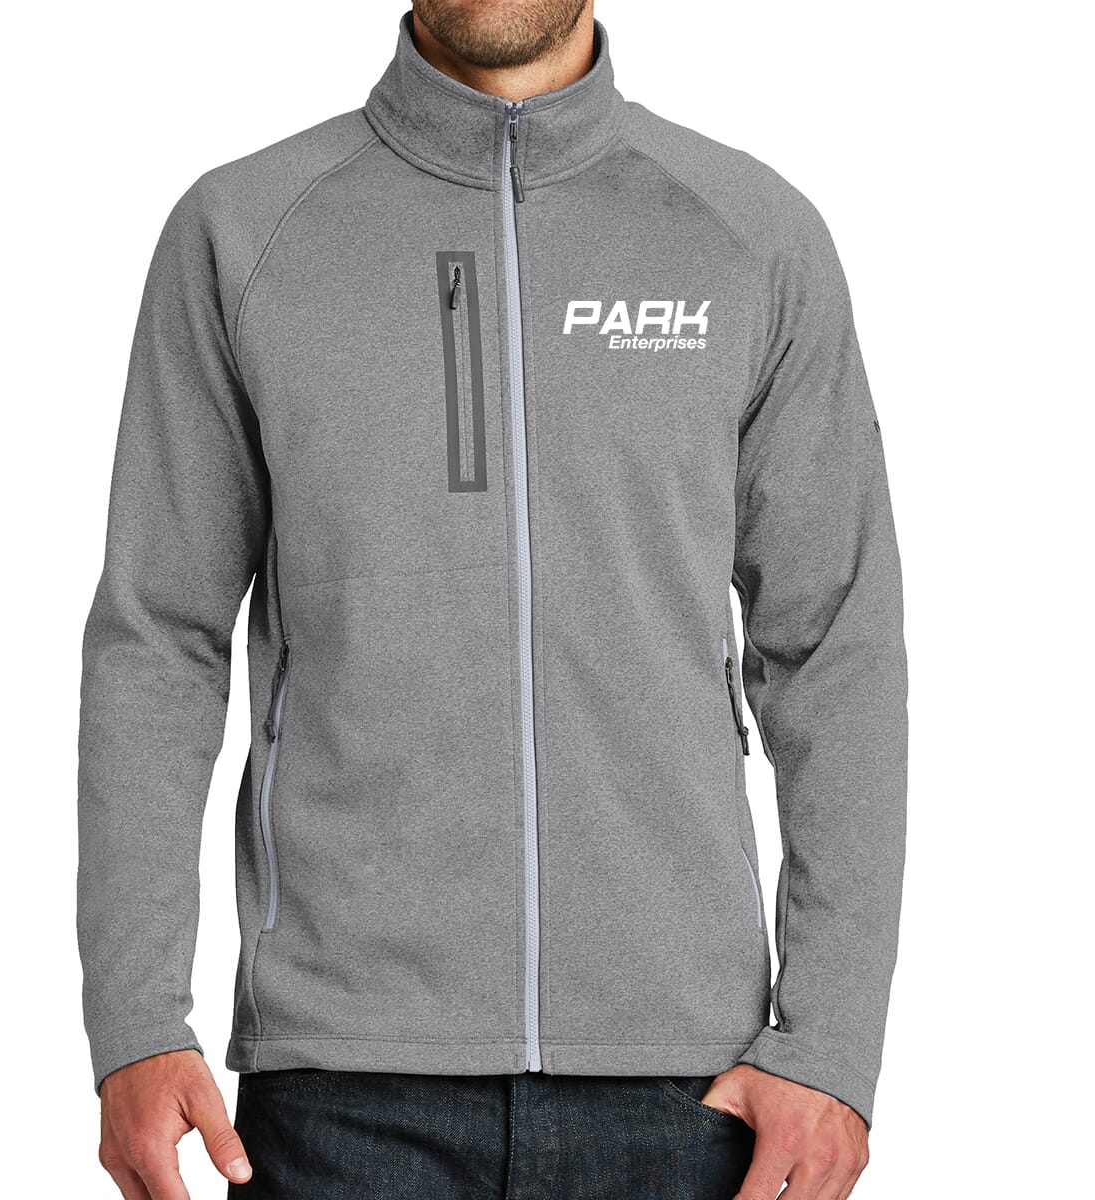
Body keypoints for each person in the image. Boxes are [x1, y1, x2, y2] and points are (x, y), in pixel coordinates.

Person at [78, 2, 907, 1197]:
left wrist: (830, 1045)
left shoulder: (747, 236)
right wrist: (135, 1021)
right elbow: (159, 637)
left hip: (686, 1087)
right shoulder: (246, 230)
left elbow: (835, 648)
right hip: (342, 1084)